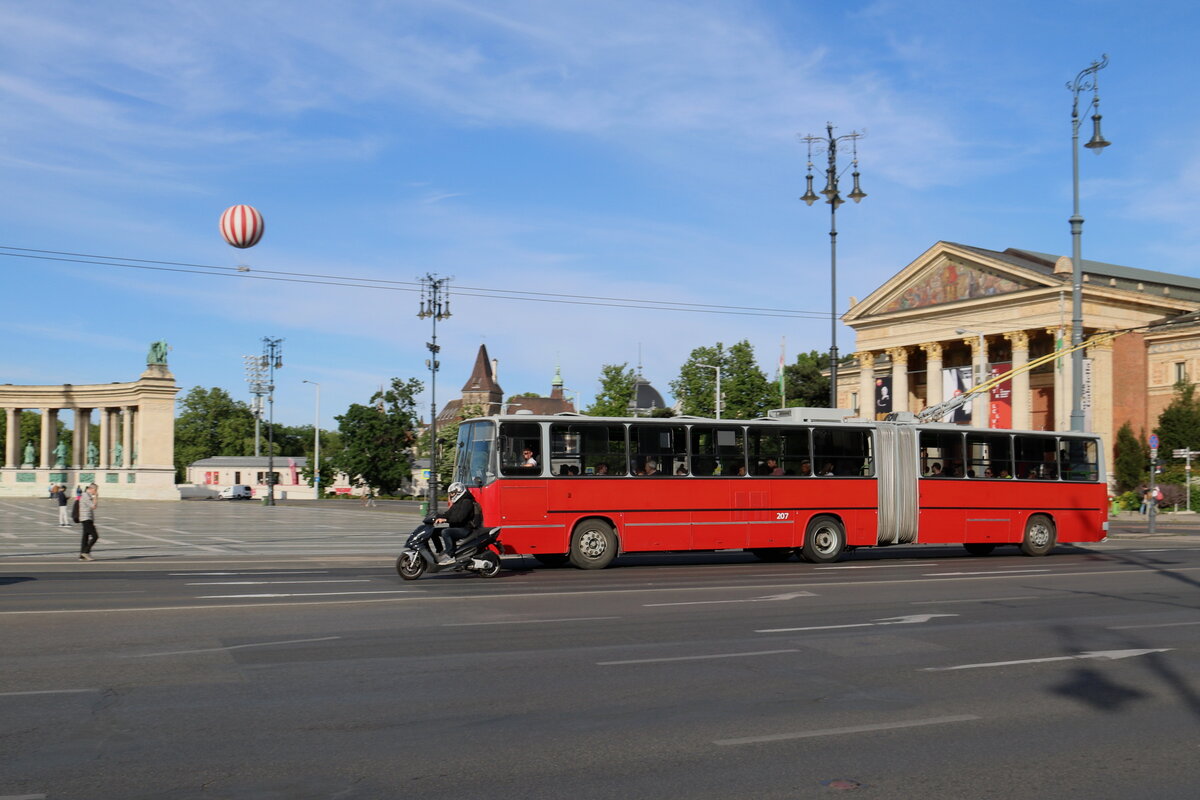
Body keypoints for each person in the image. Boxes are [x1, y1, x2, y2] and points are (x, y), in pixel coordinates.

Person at [434, 481, 483, 564]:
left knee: (446, 532)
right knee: (433, 531)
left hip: (465, 529)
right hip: (456, 527)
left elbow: (460, 518)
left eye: (452, 493)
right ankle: (441, 551)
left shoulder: (467, 502)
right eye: (450, 494)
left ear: (459, 491)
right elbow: (448, 514)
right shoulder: (457, 503)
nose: (450, 496)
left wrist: (445, 520)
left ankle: (450, 555)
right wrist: (436, 516)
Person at [79, 483, 99, 561]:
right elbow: (93, 506)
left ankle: (82, 555)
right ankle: (85, 552)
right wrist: (96, 497)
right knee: (95, 536)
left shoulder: (86, 495)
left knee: (85, 537)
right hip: (86, 519)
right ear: (91, 489)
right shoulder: (86, 496)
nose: (96, 491)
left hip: (85, 518)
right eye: (95, 490)